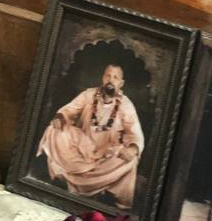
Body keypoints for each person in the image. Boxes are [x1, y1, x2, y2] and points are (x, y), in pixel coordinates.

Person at [37, 64, 144, 209]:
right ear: (102, 78)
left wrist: (132, 148)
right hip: (81, 146)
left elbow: (134, 131)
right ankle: (80, 180)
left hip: (106, 154)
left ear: (121, 83)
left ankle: (83, 182)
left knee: (131, 160)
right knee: (54, 130)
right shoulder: (89, 94)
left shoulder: (126, 104)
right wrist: (60, 117)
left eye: (115, 77)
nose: (110, 80)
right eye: (108, 75)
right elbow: (70, 109)